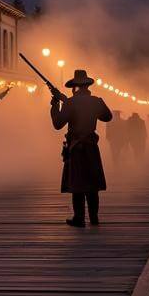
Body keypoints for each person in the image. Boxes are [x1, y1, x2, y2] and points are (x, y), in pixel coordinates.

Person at [51, 70, 112, 227]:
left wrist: (55, 106)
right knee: (92, 183)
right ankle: (94, 217)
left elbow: (57, 124)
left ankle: (79, 218)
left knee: (77, 183)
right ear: (87, 86)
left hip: (76, 147)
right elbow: (107, 117)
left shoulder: (71, 103)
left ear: (75, 87)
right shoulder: (96, 101)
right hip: (91, 146)